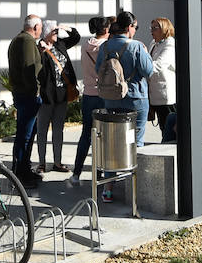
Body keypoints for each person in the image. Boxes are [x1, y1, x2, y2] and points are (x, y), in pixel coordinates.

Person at [95, 11, 154, 146]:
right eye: (135, 27)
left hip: (111, 96)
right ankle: (133, 166)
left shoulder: (104, 46)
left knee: (114, 138)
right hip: (135, 96)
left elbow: (98, 70)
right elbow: (148, 71)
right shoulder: (136, 46)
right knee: (135, 139)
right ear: (129, 27)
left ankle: (117, 165)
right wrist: (145, 53)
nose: (135, 30)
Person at [69, 15, 112, 188]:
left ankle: (76, 173)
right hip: (103, 95)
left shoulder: (86, 46)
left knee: (86, 135)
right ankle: (100, 173)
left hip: (88, 94)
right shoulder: (107, 48)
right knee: (104, 136)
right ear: (106, 30)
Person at [35, 21, 80, 174]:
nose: (56, 34)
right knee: (42, 130)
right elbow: (38, 70)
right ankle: (41, 163)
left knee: (58, 130)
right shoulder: (39, 48)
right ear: (46, 32)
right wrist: (42, 52)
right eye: (53, 32)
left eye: (56, 32)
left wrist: (66, 28)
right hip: (47, 96)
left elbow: (76, 37)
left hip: (62, 94)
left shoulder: (60, 44)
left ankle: (57, 162)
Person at [7, 15, 45, 189]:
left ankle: (24, 170)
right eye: (41, 27)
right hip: (27, 95)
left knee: (27, 134)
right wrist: (35, 92)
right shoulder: (26, 41)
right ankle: (20, 173)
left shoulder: (19, 39)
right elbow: (29, 69)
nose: (42, 31)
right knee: (25, 135)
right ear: (36, 27)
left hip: (23, 93)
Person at [147, 17, 176, 134]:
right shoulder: (153, 43)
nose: (151, 31)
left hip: (166, 95)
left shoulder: (170, 44)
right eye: (151, 28)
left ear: (164, 29)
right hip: (154, 93)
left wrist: (140, 66)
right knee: (163, 126)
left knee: (169, 127)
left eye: (155, 28)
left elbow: (159, 65)